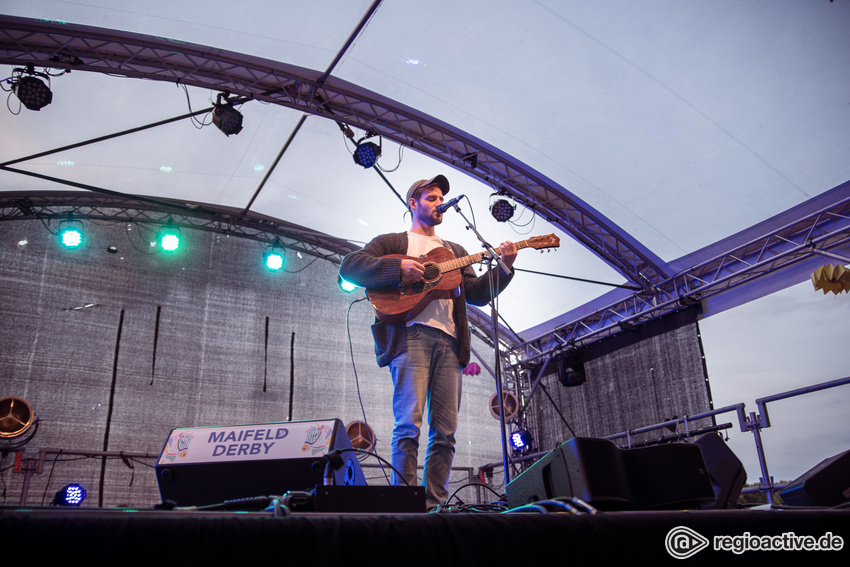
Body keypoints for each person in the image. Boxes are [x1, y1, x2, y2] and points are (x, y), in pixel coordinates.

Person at [339, 174, 517, 509]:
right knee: (409, 425)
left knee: (446, 432)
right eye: (432, 198)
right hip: (410, 337)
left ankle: (435, 506)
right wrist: (399, 269)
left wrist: (504, 267)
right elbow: (350, 266)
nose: (439, 204)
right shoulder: (392, 242)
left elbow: (477, 294)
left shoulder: (455, 250)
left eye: (440, 199)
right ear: (413, 203)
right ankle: (404, 505)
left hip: (451, 342)